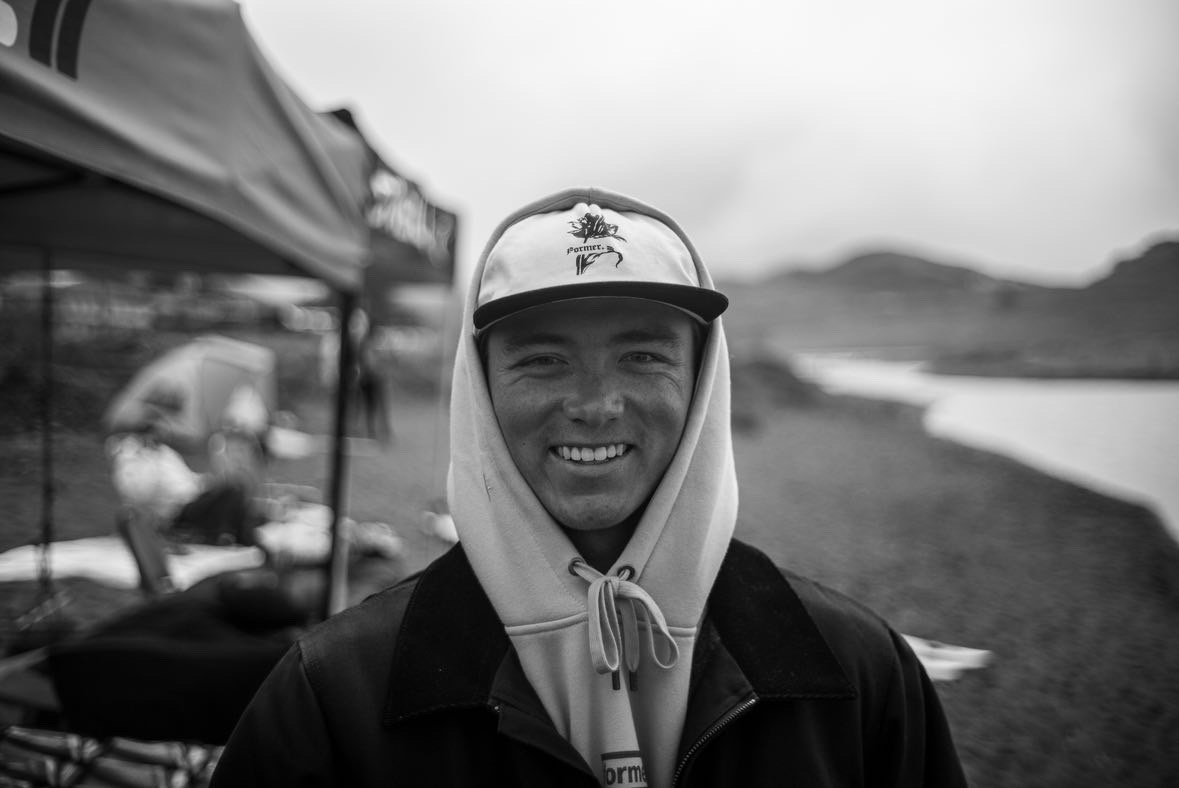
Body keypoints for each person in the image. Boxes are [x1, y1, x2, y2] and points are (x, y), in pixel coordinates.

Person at [211, 188, 966, 786]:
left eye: (643, 356)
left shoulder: (857, 676)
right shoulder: (336, 695)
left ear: (704, 382)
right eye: (542, 360)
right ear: (478, 389)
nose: (597, 403)